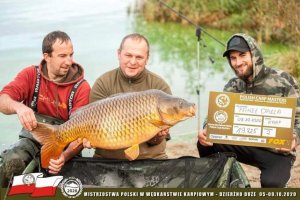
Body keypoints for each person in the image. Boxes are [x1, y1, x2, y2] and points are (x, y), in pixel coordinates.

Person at [197, 33, 300, 188]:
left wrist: (295, 137)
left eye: (242, 55)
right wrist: (206, 129)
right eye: (233, 58)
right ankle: (223, 180)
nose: (237, 62)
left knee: (272, 183)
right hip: (245, 145)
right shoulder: (233, 85)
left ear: (255, 54)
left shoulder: (283, 81)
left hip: (276, 151)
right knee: (205, 144)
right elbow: (216, 115)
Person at [0, 31, 91, 186]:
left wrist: (65, 156)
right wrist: (19, 107)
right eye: (62, 56)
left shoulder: (81, 87)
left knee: (60, 185)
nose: (69, 61)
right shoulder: (31, 75)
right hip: (32, 140)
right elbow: (3, 100)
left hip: (66, 147)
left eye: (71, 55)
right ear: (47, 56)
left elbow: (82, 133)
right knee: (12, 160)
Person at [89, 33, 172, 159]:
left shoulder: (160, 87)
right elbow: (92, 127)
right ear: (119, 54)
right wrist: (88, 139)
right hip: (107, 160)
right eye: (128, 55)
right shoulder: (103, 83)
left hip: (151, 159)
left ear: (147, 58)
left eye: (139, 57)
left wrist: (158, 136)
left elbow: (155, 142)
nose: (132, 62)